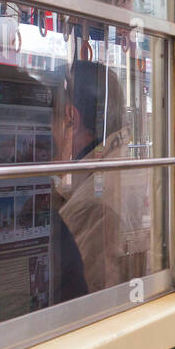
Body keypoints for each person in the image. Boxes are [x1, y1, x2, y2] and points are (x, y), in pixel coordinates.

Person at [51, 58, 131, 295]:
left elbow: (87, 299)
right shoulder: (117, 164)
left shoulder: (93, 202)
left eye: (52, 120)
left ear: (71, 119)